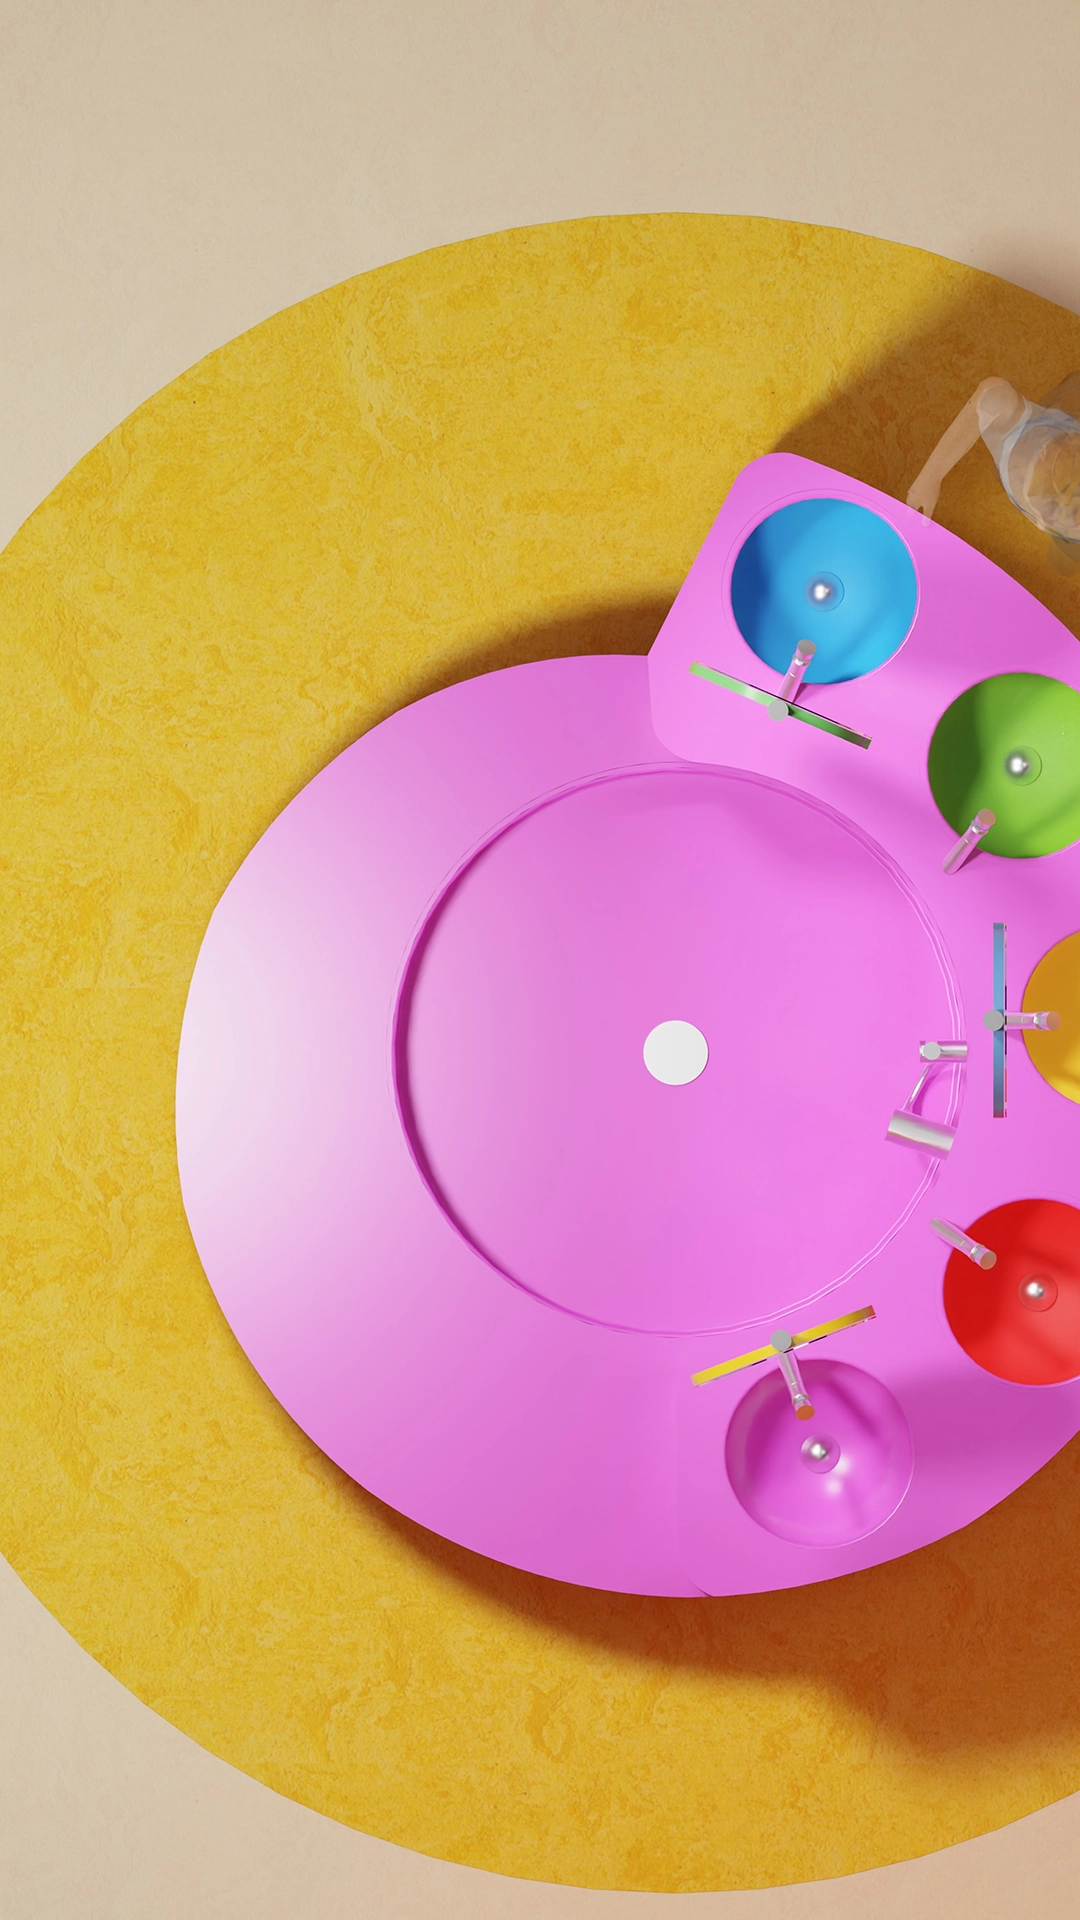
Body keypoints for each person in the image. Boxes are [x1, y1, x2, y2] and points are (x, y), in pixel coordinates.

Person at [906, 373, 1080, 570]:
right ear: (1044, 454)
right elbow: (993, 394)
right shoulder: (1012, 420)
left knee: (1064, 564)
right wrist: (930, 477)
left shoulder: (1064, 525)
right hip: (1032, 435)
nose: (1048, 520)